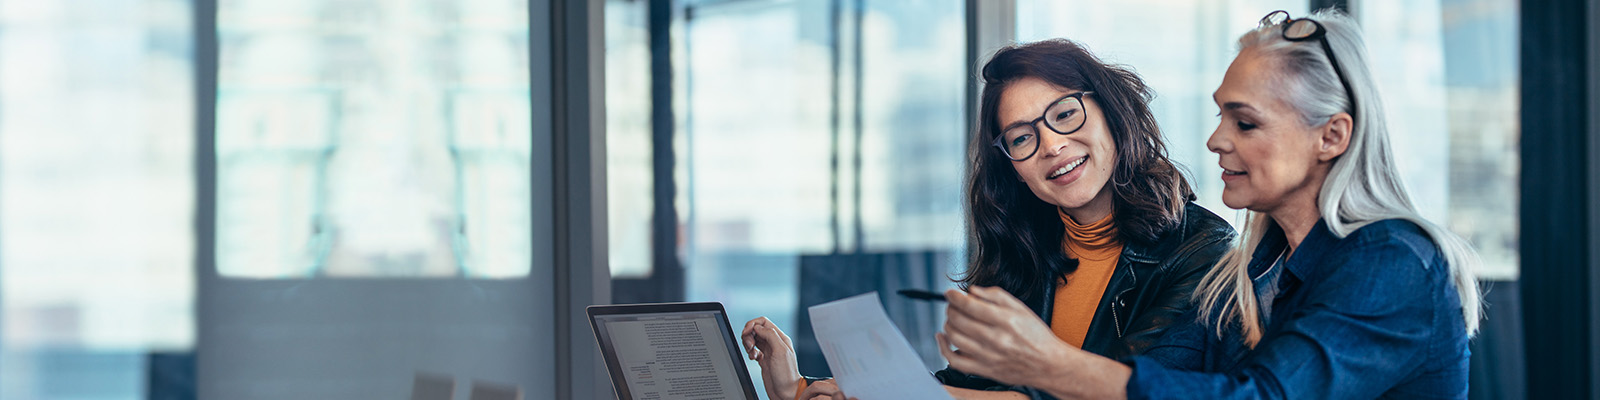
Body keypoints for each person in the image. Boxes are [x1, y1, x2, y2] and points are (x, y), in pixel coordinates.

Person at [937, 9, 1481, 399]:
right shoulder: (1252, 268)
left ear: (1332, 136)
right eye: (1221, 116)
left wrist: (1048, 364)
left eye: (1244, 122)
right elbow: (1168, 379)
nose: (1216, 140)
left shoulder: (1392, 260)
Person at [741, 38, 1236, 400]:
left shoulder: (1203, 251)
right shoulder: (1026, 250)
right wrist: (810, 388)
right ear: (1014, 169)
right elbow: (967, 388)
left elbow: (1117, 392)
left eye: (1065, 114)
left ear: (1111, 113)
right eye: (1022, 138)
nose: (1051, 145)